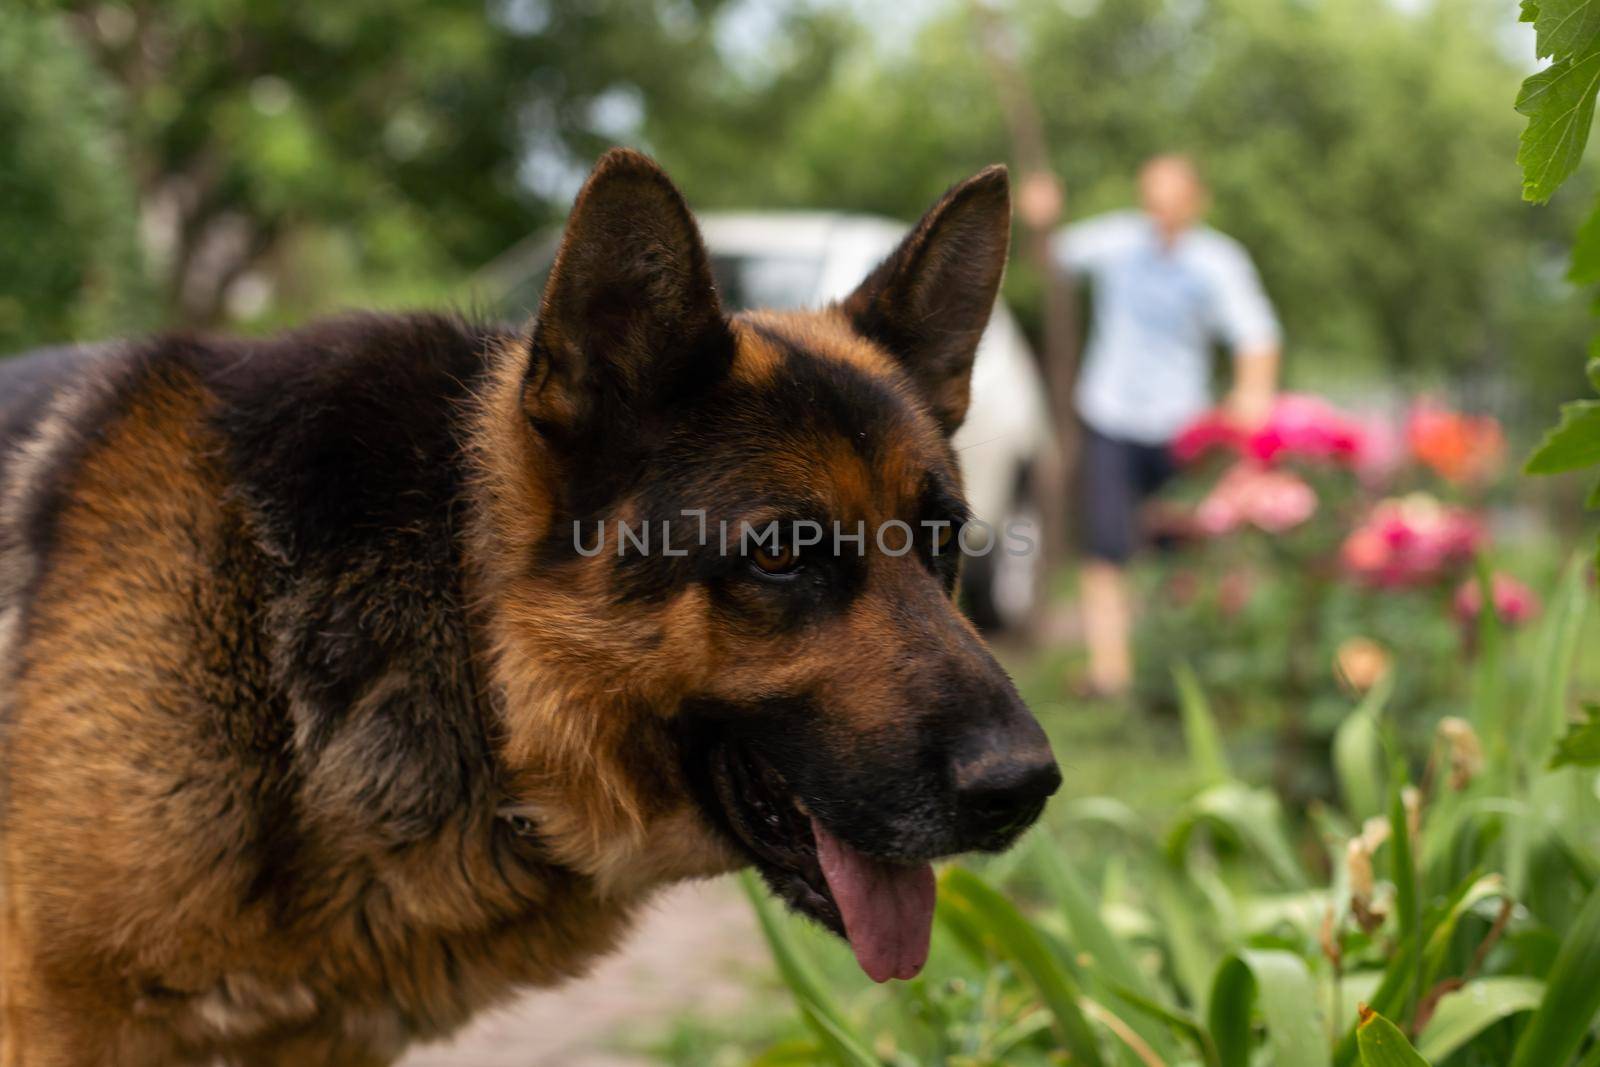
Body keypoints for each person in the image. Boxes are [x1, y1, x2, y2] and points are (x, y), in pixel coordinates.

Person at [1019, 155, 1281, 697]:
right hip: (1111, 416)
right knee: (1105, 548)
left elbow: (1257, 333)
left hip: (1180, 426)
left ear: (1195, 200)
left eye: (1170, 198)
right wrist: (1040, 219)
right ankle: (1110, 674)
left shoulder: (1217, 261)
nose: (1158, 208)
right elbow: (1048, 260)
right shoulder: (1118, 241)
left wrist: (1252, 395)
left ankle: (1181, 663)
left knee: (1184, 550)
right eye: (1151, 197)